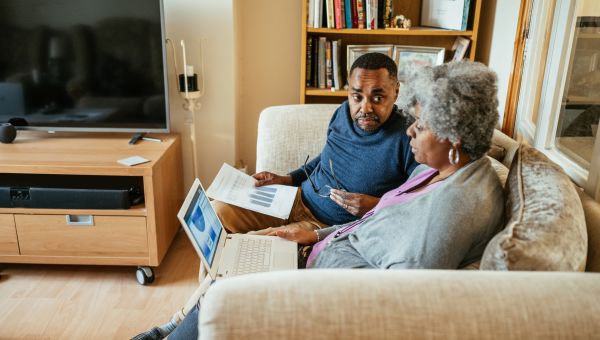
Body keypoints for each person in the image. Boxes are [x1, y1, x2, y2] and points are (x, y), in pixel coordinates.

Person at [157, 61, 505, 339]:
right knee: (231, 255)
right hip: (317, 243)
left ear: (454, 137)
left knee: (232, 276)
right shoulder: (437, 169)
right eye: (357, 95)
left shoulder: (453, 208)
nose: (412, 130)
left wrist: (308, 258)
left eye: (423, 125)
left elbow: (395, 298)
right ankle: (174, 327)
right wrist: (313, 236)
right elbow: (371, 218)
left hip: (322, 287)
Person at [132, 52, 417, 340]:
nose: (365, 107)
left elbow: (416, 203)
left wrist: (376, 205)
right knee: (218, 212)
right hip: (295, 199)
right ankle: (200, 317)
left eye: (378, 97)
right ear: (349, 92)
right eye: (357, 96)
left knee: (246, 248)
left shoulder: (409, 137)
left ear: (396, 91)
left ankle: (175, 325)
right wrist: (287, 178)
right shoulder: (343, 113)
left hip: (323, 226)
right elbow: (323, 158)